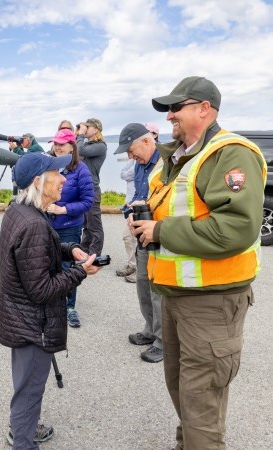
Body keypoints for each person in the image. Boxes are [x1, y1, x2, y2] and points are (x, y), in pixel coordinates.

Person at [132, 76, 266, 449]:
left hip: (211, 301)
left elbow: (234, 229)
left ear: (204, 109)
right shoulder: (178, 156)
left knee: (201, 396)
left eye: (177, 107)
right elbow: (174, 208)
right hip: (177, 295)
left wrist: (160, 232)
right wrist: (143, 220)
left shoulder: (230, 153)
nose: (170, 115)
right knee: (183, 389)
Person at [0, 151, 100, 449]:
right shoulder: (35, 225)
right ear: (39, 182)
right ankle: (23, 441)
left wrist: (68, 251)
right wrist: (81, 272)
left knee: (24, 383)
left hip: (17, 317)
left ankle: (22, 425)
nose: (64, 178)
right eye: (57, 174)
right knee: (29, 392)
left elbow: (34, 256)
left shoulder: (19, 211)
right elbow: (41, 289)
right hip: (32, 325)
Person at [114, 123, 162, 363]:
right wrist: (131, 209)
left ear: (147, 141)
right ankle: (150, 329)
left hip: (160, 232)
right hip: (142, 229)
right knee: (143, 283)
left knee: (158, 289)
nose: (130, 157)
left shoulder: (166, 162)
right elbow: (138, 194)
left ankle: (163, 341)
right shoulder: (141, 163)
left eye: (132, 150)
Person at [46, 128, 94, 328]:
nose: (57, 147)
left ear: (72, 147)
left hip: (69, 227)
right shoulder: (49, 165)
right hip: (47, 225)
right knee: (48, 265)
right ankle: (51, 305)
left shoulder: (81, 169)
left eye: (61, 144)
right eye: (55, 144)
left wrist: (62, 209)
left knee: (68, 267)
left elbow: (88, 201)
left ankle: (70, 307)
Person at [76, 118, 107, 256]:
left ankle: (95, 254)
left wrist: (81, 135)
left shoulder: (101, 146)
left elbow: (80, 150)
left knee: (94, 225)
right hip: (83, 189)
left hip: (92, 189)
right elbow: (75, 152)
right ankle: (84, 251)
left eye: (88, 127)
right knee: (86, 225)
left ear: (96, 129)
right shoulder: (88, 145)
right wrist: (76, 135)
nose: (85, 129)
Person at [115, 158, 137, 282]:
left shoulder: (152, 157)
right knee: (127, 237)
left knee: (138, 238)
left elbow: (129, 174)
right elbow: (123, 174)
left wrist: (129, 173)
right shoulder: (134, 159)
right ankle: (132, 265)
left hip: (141, 203)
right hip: (130, 202)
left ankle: (142, 271)